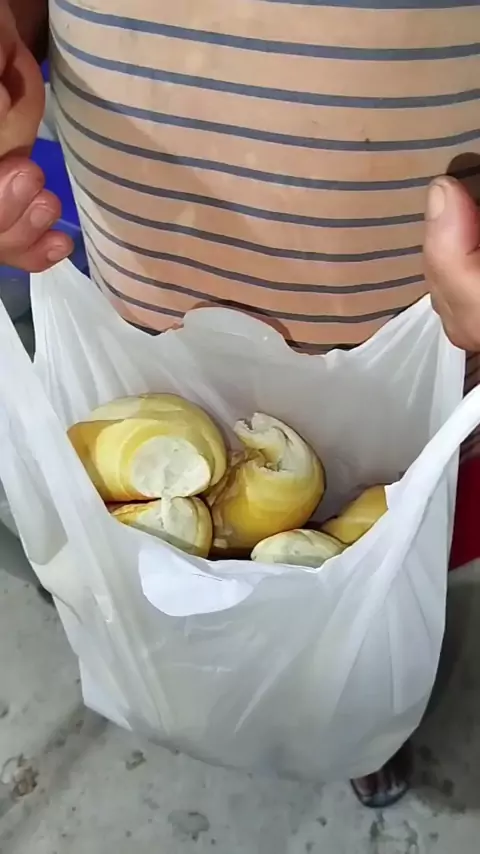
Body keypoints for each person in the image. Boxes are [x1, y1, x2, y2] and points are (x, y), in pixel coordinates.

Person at [0, 0, 478, 808]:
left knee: (382, 581)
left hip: (413, 342)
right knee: (181, 588)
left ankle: (350, 718)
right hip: (145, 321)